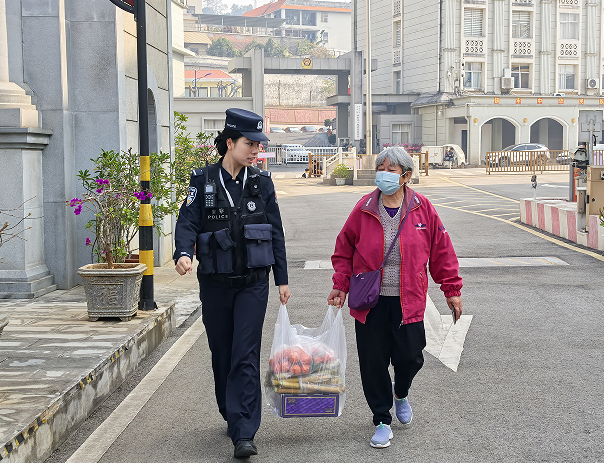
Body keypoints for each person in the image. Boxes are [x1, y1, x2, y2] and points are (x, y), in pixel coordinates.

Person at [327, 146, 462, 449]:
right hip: (370, 302)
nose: (384, 174)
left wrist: (451, 290)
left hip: (409, 300)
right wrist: (340, 284)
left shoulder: (422, 209)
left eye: (391, 169)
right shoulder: (364, 208)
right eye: (381, 168)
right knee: (373, 363)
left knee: (410, 358)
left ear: (406, 176)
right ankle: (381, 420)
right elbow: (344, 249)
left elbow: (442, 251)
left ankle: (400, 392)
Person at [174, 108, 290, 459]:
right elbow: (187, 220)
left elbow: (276, 234)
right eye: (250, 143)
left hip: (254, 283)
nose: (256, 150)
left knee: (245, 354)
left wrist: (282, 279)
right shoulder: (203, 181)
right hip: (215, 284)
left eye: (258, 144)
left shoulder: (262, 183)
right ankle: (230, 410)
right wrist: (183, 252)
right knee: (222, 353)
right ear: (230, 142)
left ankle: (244, 431)